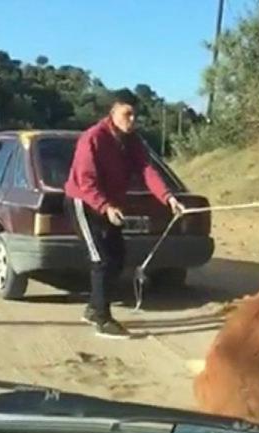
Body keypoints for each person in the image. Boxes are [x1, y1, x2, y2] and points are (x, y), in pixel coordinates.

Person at [64, 90, 184, 339]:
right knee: (101, 260)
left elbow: (147, 169)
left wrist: (168, 198)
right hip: (84, 203)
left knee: (118, 259)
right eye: (127, 114)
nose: (132, 120)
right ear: (112, 113)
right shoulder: (93, 138)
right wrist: (105, 207)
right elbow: (86, 181)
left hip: (112, 206)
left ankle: (93, 308)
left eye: (135, 115)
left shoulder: (133, 141)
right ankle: (102, 318)